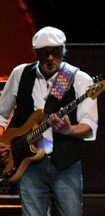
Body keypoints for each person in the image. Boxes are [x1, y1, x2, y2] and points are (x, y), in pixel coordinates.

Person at [0, 26, 98, 215]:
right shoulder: (20, 74)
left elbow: (90, 125)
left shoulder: (80, 79)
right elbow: (2, 114)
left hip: (66, 164)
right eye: (45, 53)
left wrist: (69, 130)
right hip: (27, 164)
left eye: (55, 52)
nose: (50, 58)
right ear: (36, 53)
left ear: (63, 50)